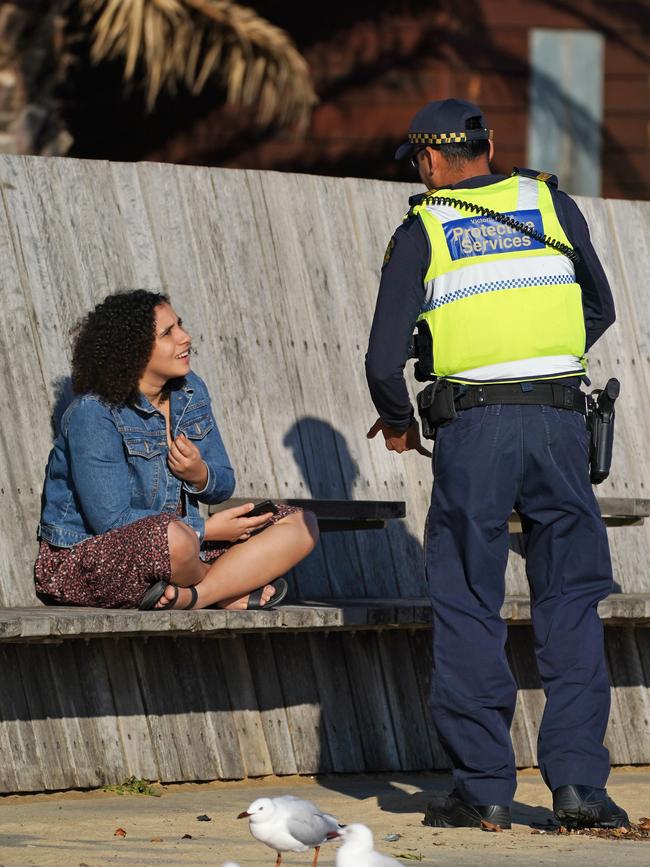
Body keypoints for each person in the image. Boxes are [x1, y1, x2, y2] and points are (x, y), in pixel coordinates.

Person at [365, 98, 628, 829]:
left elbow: (384, 360)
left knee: (469, 602)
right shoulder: (550, 202)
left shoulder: (424, 227)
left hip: (474, 432)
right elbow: (598, 306)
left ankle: (484, 788)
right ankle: (579, 786)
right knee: (571, 600)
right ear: (487, 146)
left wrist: (395, 419)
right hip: (558, 424)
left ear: (429, 160)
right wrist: (536, 359)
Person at [35, 289, 319, 610]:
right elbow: (111, 520)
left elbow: (223, 483)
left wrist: (200, 476)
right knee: (175, 541)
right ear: (134, 351)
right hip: (91, 560)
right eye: (168, 333)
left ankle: (194, 596)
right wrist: (208, 529)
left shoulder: (189, 390)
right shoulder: (95, 413)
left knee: (299, 525)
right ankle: (225, 586)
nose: (185, 337)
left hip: (180, 551)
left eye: (179, 325)